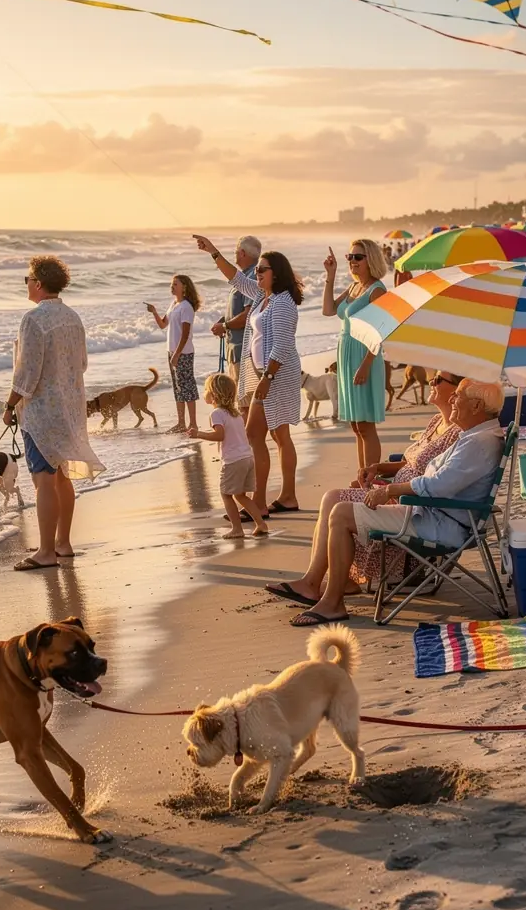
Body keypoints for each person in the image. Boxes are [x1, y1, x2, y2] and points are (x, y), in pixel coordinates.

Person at [265, 379, 505, 624]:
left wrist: (389, 490)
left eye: (459, 396)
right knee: (339, 508)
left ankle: (332, 603)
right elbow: (436, 480)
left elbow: (436, 485)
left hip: (438, 522)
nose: (453, 399)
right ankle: (329, 590)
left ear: (476, 406)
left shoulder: (478, 442)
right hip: (433, 514)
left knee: (341, 513)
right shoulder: (476, 436)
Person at [3, 256, 104, 571]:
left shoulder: (34, 319)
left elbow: (27, 373)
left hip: (43, 411)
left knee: (44, 480)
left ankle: (46, 551)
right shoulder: (72, 317)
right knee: (61, 477)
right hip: (70, 407)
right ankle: (63, 542)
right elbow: (82, 363)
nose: (27, 284)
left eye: (28, 278)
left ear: (38, 282)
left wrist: (9, 405)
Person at [194, 234, 303, 517]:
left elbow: (283, 345)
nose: (257, 273)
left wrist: (267, 379)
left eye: (262, 269)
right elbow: (236, 278)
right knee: (274, 436)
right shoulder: (261, 295)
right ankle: (283, 497)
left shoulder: (282, 303)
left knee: (259, 435)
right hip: (262, 374)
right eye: (257, 269)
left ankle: (261, 502)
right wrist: (214, 252)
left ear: (276, 274)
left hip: (275, 375)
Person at [323, 238, 388, 469]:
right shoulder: (353, 287)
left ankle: (370, 479)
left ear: (370, 259)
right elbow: (329, 310)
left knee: (366, 425)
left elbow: (381, 332)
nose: (352, 261)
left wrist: (366, 364)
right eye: (349, 257)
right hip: (347, 355)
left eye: (357, 257)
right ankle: (363, 476)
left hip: (364, 355)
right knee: (356, 425)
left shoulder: (377, 290)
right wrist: (331, 275)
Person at [188, 373, 268, 539]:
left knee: (226, 494)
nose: (204, 394)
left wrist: (199, 434)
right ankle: (261, 523)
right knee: (240, 495)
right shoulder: (236, 414)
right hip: (247, 457)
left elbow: (220, 435)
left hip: (233, 461)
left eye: (206, 390)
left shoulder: (217, 414)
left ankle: (237, 529)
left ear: (214, 395)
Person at [147, 275, 201, 433]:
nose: (172, 286)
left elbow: (185, 334)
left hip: (183, 352)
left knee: (187, 387)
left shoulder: (186, 307)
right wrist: (154, 312)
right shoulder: (174, 304)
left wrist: (177, 354)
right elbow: (163, 325)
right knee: (178, 388)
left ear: (184, 287)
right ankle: (181, 423)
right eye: (172, 284)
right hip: (172, 351)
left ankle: (193, 424)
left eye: (175, 284)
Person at [211, 235, 261, 384]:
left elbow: (248, 315)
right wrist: (225, 320)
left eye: (236, 251)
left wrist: (225, 326)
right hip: (237, 350)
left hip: (242, 351)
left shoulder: (252, 276)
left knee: (243, 402)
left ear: (243, 253)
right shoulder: (246, 275)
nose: (235, 254)